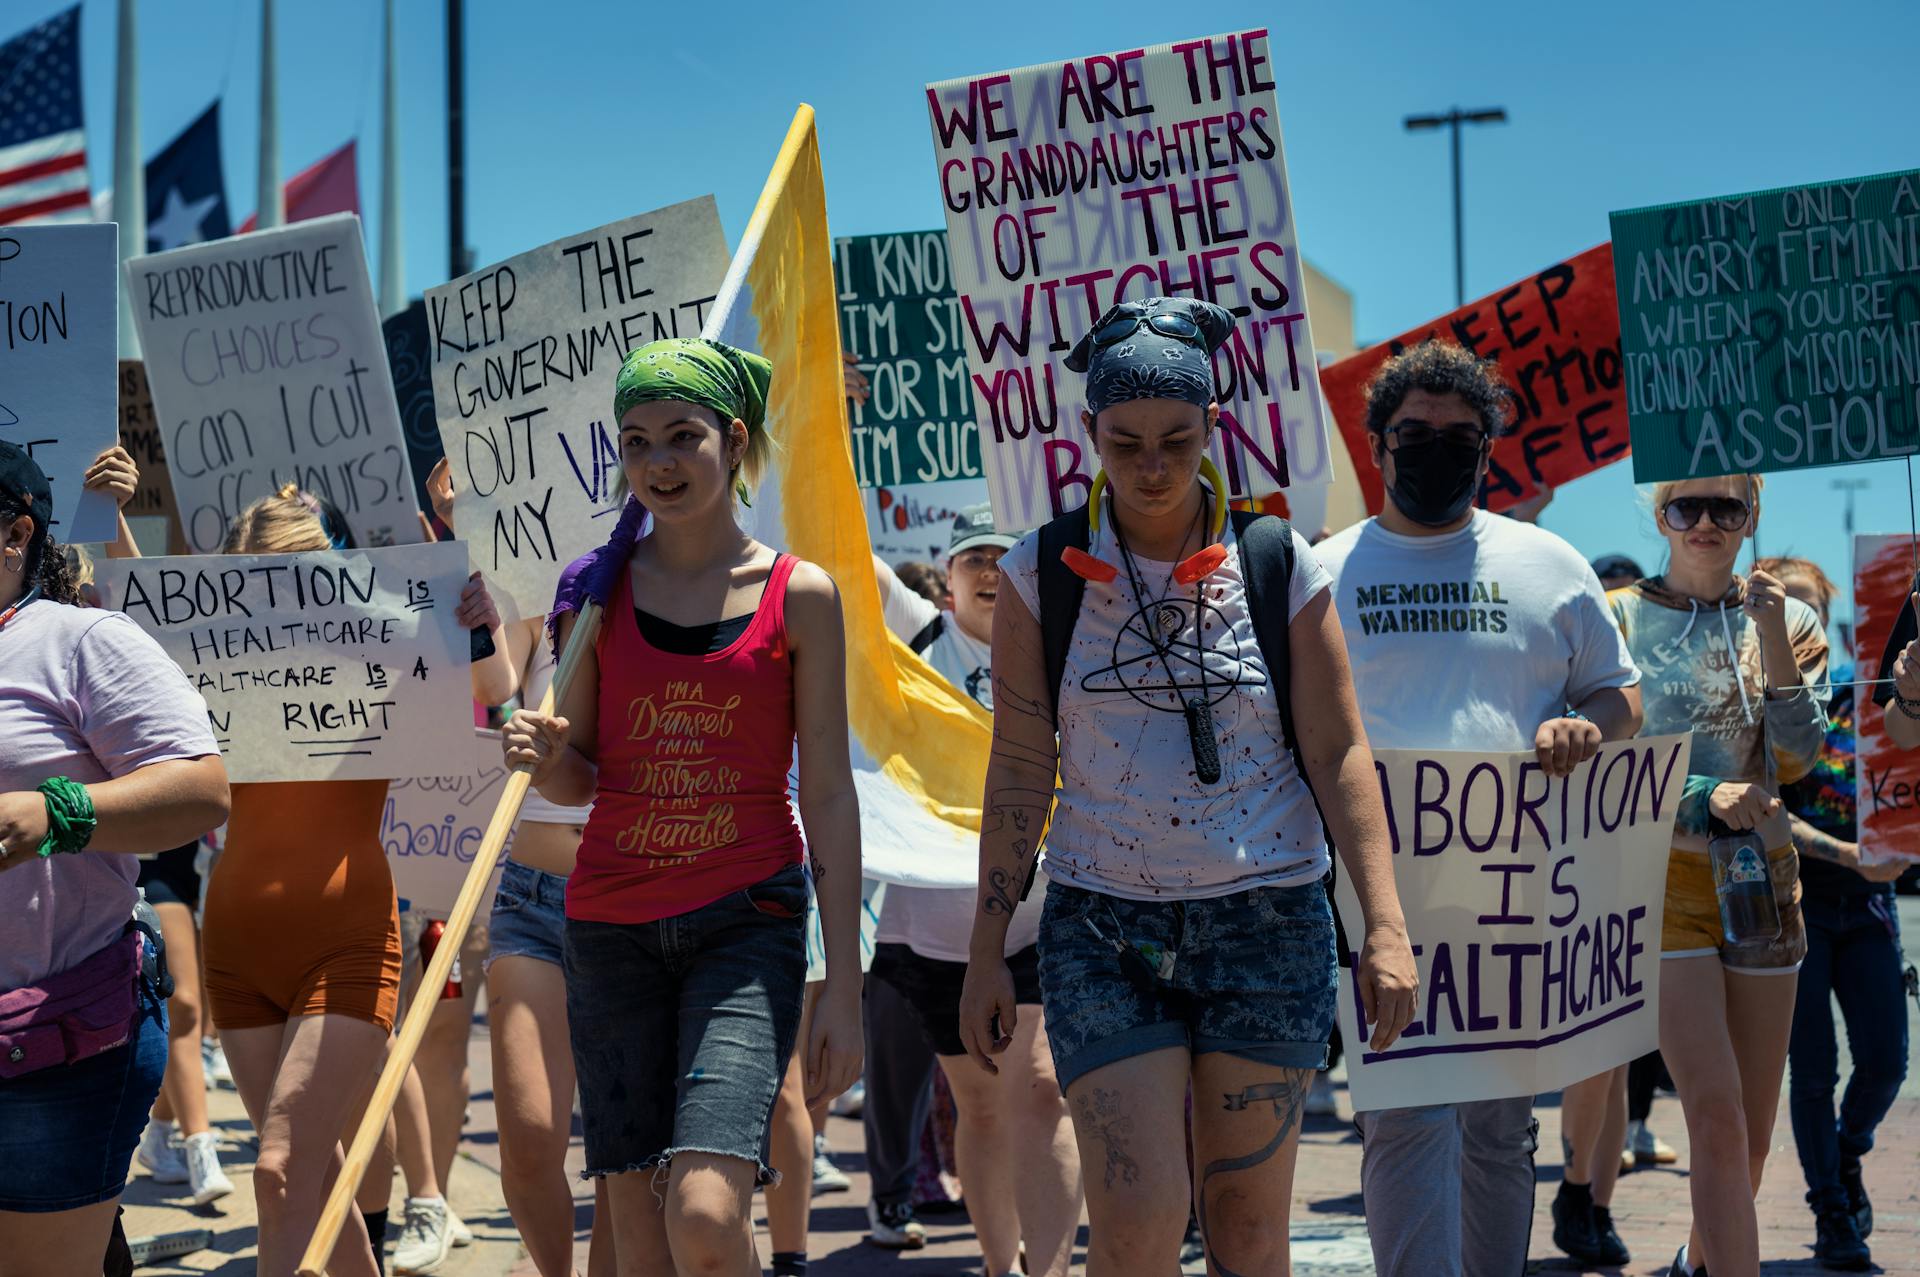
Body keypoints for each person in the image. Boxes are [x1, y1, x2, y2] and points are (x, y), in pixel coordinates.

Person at [960, 297, 1419, 1277]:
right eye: (1125, 442)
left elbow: (1341, 749)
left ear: (1214, 429)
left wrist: (1384, 924)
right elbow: (1017, 766)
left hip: (1270, 922)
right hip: (1102, 929)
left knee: (1249, 1226)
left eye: (1176, 438)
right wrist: (987, 948)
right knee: (1139, 1216)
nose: (1152, 464)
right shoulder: (1039, 573)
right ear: (1089, 435)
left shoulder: (1277, 560)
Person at [505, 338, 863, 1277]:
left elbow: (827, 789)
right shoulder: (593, 590)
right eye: (635, 442)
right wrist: (543, 760)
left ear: (734, 439)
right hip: (610, 928)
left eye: (681, 436)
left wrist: (848, 988)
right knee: (637, 1239)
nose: (657, 462)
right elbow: (580, 777)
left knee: (705, 1216)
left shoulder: (802, 595)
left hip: (747, 923)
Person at [1314, 339, 1645, 1277]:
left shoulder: (1551, 565)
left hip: (1517, 896)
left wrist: (1586, 728)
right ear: (1377, 445)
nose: (1435, 449)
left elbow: (1620, 696)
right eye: (1413, 432)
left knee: (1500, 1129)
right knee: (1405, 1118)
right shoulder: (1324, 572)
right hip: (1381, 898)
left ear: (1489, 450)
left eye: (1459, 435)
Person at [201, 484, 496, 1277]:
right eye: (250, 579)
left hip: (348, 943)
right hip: (233, 949)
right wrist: (114, 523)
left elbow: (494, 688)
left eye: (293, 577)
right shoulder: (220, 663)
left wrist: (473, 621)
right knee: (316, 1186)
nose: (270, 600)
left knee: (278, 1169)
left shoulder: (379, 648)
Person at [0, 441, 231, 1272]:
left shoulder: (83, 641)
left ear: (15, 532)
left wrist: (55, 813)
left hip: (51, 1046)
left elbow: (203, 790)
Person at [1607, 476, 1828, 1277]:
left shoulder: (1790, 619)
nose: (1705, 523)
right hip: (1657, 885)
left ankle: (1694, 1264)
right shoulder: (1619, 617)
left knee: (1753, 1135)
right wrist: (1703, 794)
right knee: (1715, 1112)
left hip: (1762, 882)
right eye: (1685, 507)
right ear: (1659, 514)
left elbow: (1800, 757)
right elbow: (1607, 761)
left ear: (1752, 517)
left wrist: (1769, 629)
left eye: (1725, 508)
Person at [862, 506, 1084, 1276]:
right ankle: (1000, 1265)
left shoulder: (1063, 646)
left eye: (1002, 556)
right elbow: (838, 537)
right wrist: (819, 397)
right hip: (933, 933)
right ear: (946, 578)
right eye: (970, 559)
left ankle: (1048, 1269)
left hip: (1036, 919)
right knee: (983, 1104)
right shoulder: (916, 638)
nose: (988, 572)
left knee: (1046, 1091)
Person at [415, 457, 616, 1277]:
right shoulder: (548, 591)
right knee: (529, 1136)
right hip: (531, 898)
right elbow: (494, 677)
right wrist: (470, 547)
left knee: (622, 1141)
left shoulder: (669, 593)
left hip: (634, 896)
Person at [1758, 555, 1907, 1272]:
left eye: (1811, 611)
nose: (1800, 628)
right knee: (1811, 1070)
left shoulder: (1866, 690)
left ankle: (1846, 1153)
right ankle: (1831, 1211)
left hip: (1870, 905)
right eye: (1786, 612)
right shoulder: (1758, 703)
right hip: (1800, 901)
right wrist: (1852, 855)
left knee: (1886, 1061)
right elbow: (1770, 810)